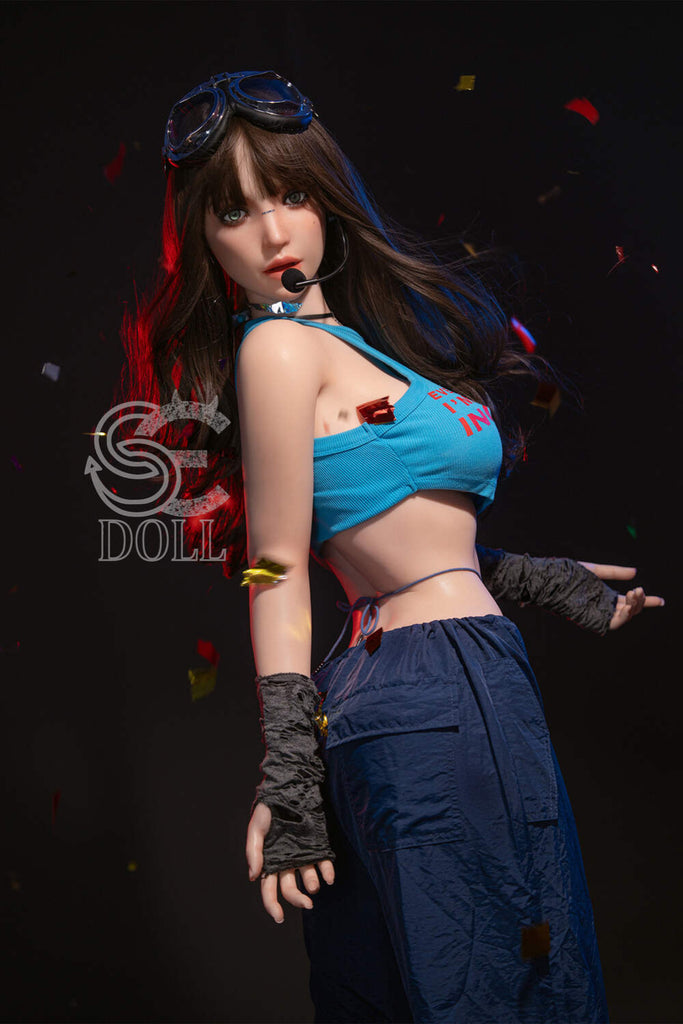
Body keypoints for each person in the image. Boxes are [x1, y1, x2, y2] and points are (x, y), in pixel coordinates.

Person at [128, 71, 664, 1023]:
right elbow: (274, 566)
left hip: (402, 687)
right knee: (508, 987)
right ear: (202, 239)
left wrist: (530, 578)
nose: (273, 233)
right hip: (436, 689)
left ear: (326, 195)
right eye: (234, 212)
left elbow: (384, 536)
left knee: (423, 988)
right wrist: (288, 775)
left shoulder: (349, 345)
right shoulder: (277, 350)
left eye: (291, 194)